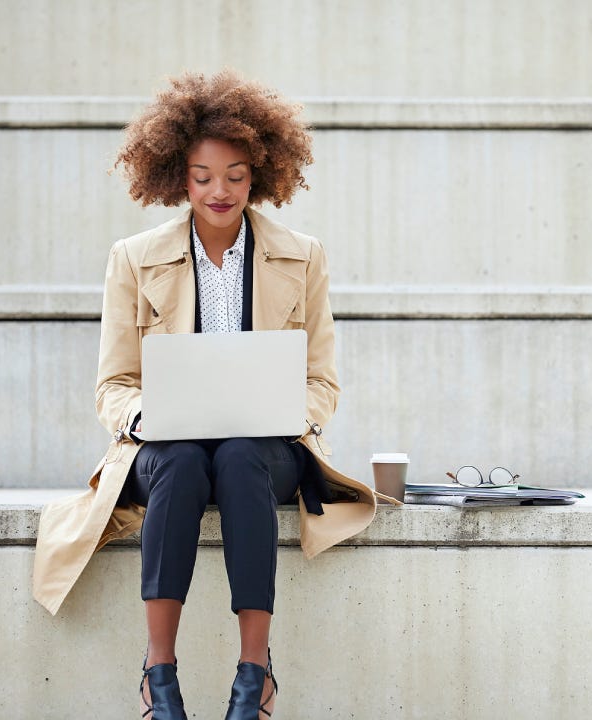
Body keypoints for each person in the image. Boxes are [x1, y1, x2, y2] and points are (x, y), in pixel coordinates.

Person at [32, 70, 391, 720]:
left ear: (260, 173)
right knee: (182, 460)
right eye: (202, 176)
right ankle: (158, 672)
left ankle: (254, 673)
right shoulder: (132, 258)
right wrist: (147, 415)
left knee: (239, 455)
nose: (219, 191)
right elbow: (114, 385)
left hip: (266, 450)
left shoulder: (302, 256)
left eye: (234, 174)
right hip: (164, 449)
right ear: (177, 176)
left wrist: (292, 413)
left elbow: (322, 380)